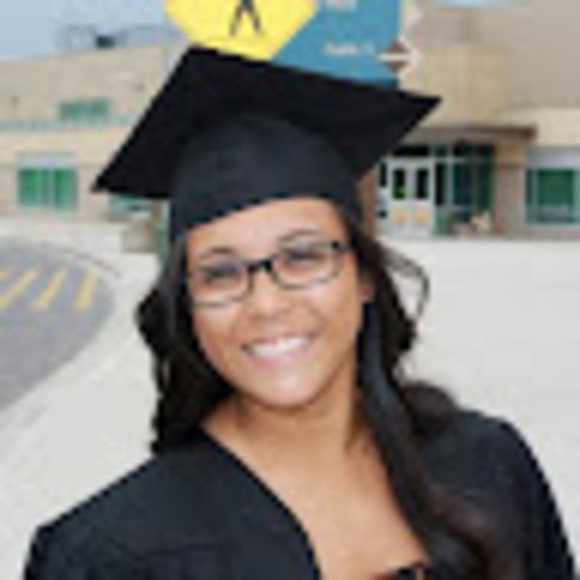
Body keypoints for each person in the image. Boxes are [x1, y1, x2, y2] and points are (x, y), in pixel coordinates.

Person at [24, 47, 576, 580]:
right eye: (221, 273)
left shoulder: (487, 464)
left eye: (303, 256)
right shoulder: (110, 555)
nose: (266, 304)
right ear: (187, 307)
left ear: (363, 276)